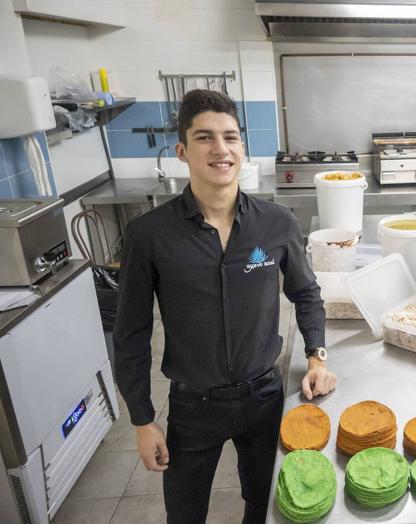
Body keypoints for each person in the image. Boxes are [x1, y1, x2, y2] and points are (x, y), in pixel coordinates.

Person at [114, 89, 336, 524]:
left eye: (230, 137)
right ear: (182, 150)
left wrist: (316, 357)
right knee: (184, 513)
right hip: (193, 407)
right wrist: (142, 421)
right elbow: (131, 333)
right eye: (204, 138)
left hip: (263, 398)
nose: (221, 149)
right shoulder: (149, 235)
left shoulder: (276, 224)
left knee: (264, 501)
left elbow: (306, 293)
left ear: (242, 147)